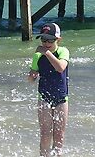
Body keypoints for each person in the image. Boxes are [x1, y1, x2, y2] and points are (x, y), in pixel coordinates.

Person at [28, 23, 69, 157]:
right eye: (43, 40)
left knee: (59, 133)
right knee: (45, 133)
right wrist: (32, 76)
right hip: (44, 97)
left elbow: (60, 67)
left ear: (58, 39)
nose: (46, 43)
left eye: (50, 40)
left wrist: (46, 53)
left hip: (61, 98)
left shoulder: (63, 51)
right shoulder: (38, 56)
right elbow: (31, 78)